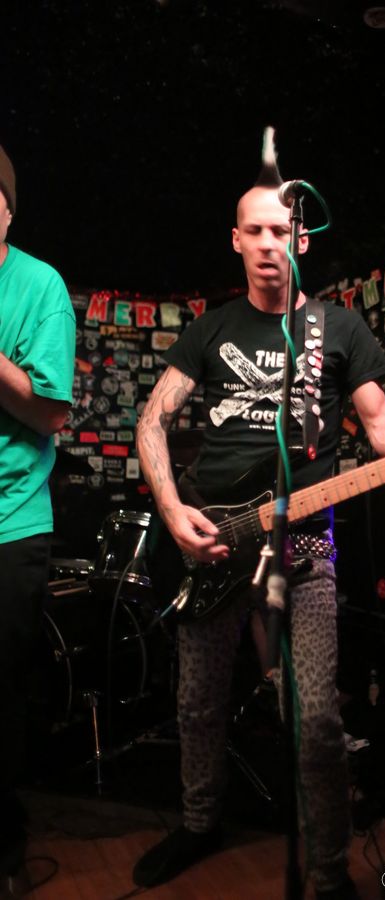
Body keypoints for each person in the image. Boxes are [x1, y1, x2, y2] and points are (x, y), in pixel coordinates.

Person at [134, 135, 385, 899]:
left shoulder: (338, 330)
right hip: (214, 541)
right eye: (254, 230)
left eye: (281, 230)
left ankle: (328, 871)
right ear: (236, 240)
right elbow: (152, 420)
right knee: (198, 704)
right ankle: (199, 822)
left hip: (304, 548)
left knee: (315, 720)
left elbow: (380, 426)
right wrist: (174, 511)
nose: (267, 243)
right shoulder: (211, 329)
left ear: (301, 241)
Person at [0, 144, 76, 878]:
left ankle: (4, 839)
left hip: (10, 520)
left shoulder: (38, 284)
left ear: (7, 209)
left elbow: (51, 412)